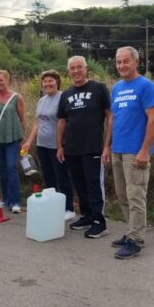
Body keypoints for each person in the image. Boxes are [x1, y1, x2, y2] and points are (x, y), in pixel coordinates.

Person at [103, 46, 154, 259]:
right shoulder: (117, 88)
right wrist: (106, 146)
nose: (121, 66)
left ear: (136, 62)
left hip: (135, 152)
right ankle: (130, 233)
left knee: (136, 196)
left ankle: (135, 240)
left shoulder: (145, 86)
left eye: (125, 61)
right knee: (123, 195)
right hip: (117, 149)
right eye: (118, 62)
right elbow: (113, 120)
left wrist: (145, 150)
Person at [57, 56, 112, 239]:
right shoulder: (66, 94)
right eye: (72, 68)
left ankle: (99, 222)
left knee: (94, 185)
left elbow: (110, 117)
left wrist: (107, 145)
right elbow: (62, 121)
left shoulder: (99, 88)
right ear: (69, 71)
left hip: (93, 147)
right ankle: (87, 216)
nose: (75, 71)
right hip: (72, 148)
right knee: (79, 185)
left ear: (86, 68)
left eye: (79, 67)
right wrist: (60, 146)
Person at [22, 69, 75, 221]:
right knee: (49, 177)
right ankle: (54, 205)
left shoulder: (63, 97)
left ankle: (69, 208)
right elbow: (37, 123)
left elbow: (65, 122)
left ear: (57, 82)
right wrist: (28, 141)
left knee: (62, 177)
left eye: (50, 80)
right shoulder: (41, 100)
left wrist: (61, 145)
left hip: (57, 146)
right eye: (45, 81)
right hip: (42, 144)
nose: (47, 84)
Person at [0, 70, 27, 213]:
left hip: (13, 138)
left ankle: (15, 202)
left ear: (7, 80)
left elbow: (23, 119)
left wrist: (24, 139)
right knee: (2, 170)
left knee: (11, 168)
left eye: (1, 80)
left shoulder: (16, 97)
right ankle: (5, 198)